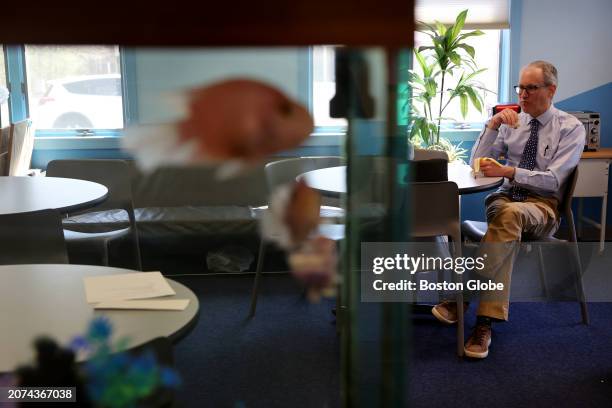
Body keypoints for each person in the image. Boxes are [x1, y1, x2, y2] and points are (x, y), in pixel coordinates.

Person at [431, 60, 585, 358]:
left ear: (551, 90)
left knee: (509, 218)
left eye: (531, 88)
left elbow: (554, 181)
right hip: (503, 201)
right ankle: (482, 323)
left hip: (543, 207)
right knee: (506, 215)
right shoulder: (513, 122)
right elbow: (478, 167)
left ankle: (468, 305)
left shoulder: (570, 128)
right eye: (520, 88)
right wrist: (492, 126)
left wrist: (510, 172)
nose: (522, 95)